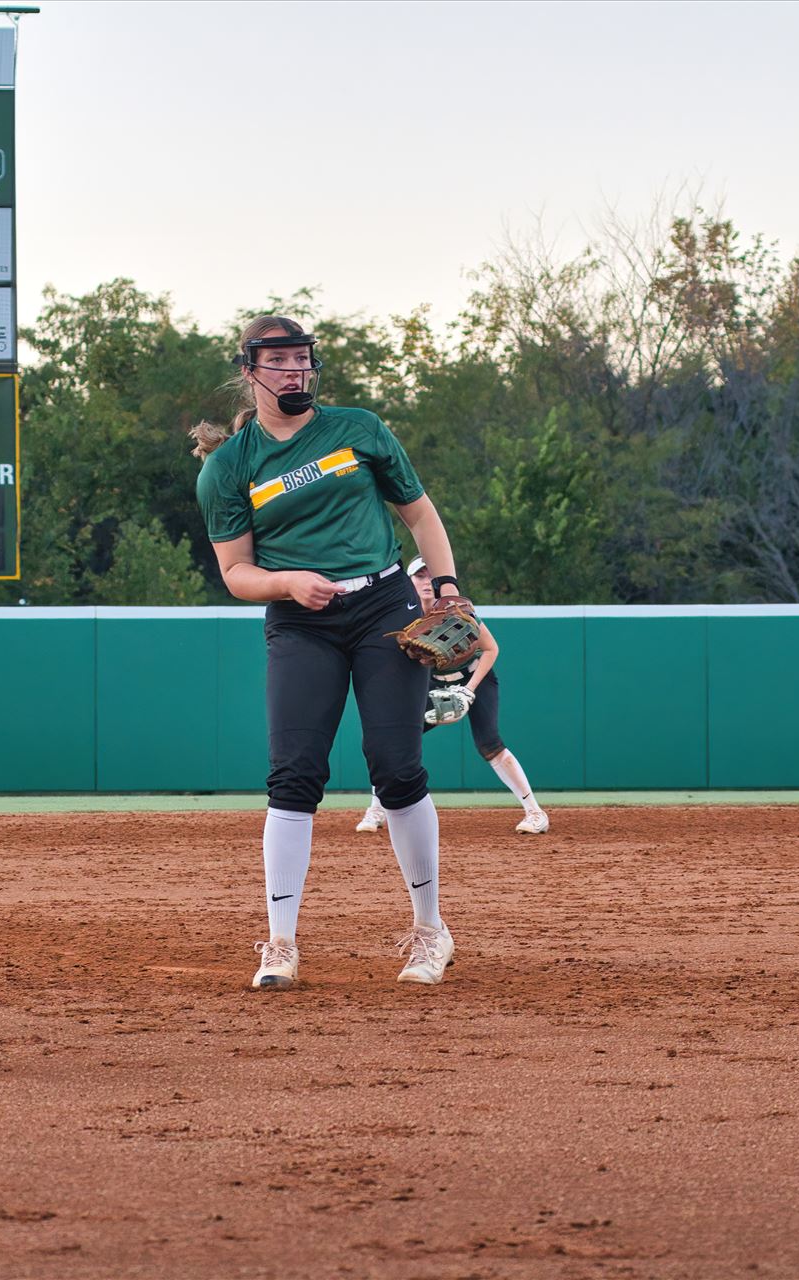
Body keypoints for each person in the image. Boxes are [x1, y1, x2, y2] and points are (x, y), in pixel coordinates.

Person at [191, 315, 466, 991]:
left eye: (302, 360)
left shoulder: (359, 429)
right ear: (250, 371)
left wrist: (449, 588)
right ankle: (280, 944)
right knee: (295, 774)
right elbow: (236, 574)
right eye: (279, 362)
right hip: (300, 621)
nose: (294, 372)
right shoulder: (230, 467)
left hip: (383, 606)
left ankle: (431, 931)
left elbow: (420, 515)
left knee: (397, 769)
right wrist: (286, 582)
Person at [355, 557, 550, 836]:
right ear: (409, 582)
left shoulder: (455, 610)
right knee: (389, 740)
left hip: (474, 678)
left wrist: (468, 692)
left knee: (490, 744)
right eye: (419, 576)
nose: (425, 582)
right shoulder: (403, 616)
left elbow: (491, 649)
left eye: (430, 576)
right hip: (432, 681)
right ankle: (377, 808)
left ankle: (535, 813)